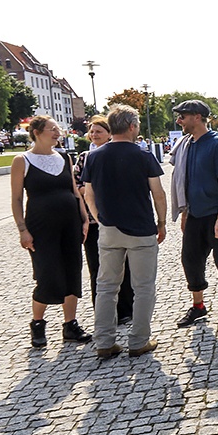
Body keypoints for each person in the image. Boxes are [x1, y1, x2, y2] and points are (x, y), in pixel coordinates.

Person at [82, 105, 167, 359]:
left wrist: (100, 219)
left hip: (109, 230)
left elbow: (88, 194)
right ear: (132, 127)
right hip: (140, 229)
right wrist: (161, 223)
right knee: (143, 287)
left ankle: (105, 342)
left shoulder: (94, 156)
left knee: (106, 286)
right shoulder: (143, 156)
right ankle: (138, 340)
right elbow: (158, 194)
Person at [10, 116, 92, 348]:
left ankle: (70, 325)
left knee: (72, 272)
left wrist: (84, 219)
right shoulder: (22, 160)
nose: (58, 133)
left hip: (70, 224)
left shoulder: (65, 157)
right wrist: (22, 230)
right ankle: (37, 323)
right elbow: (16, 199)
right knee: (47, 275)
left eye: (58, 129)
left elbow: (75, 192)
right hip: (40, 227)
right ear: (36, 132)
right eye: (52, 129)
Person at [171, 99, 218, 330]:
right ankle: (198, 307)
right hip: (195, 215)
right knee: (190, 260)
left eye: (184, 115)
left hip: (216, 214)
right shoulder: (187, 144)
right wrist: (185, 213)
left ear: (198, 117)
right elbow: (186, 181)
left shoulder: (217, 144)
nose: (180, 120)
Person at [74, 115, 135, 324]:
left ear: (109, 133)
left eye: (98, 131)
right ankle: (103, 313)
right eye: (91, 131)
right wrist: (88, 190)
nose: (94, 135)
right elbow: (76, 184)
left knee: (123, 267)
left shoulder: (114, 155)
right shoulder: (85, 157)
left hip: (117, 218)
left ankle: (126, 309)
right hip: (93, 222)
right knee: (97, 269)